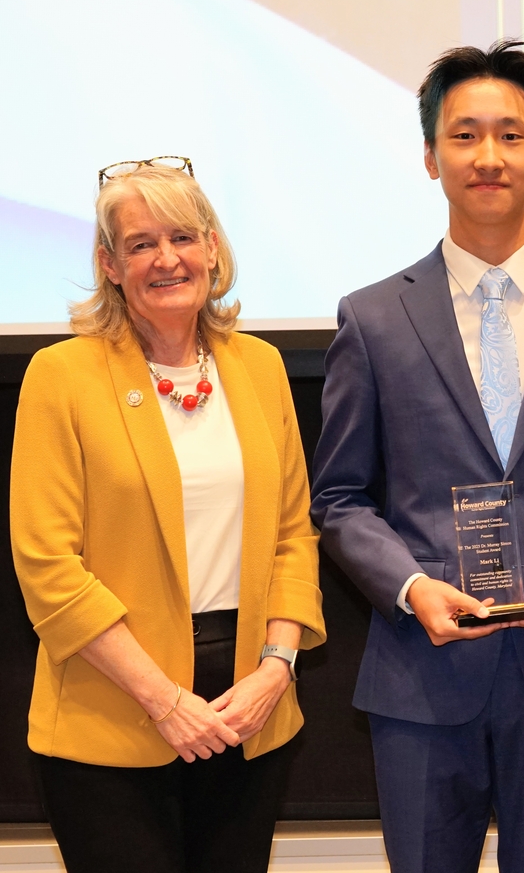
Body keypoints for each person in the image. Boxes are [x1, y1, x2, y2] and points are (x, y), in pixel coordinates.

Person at [309, 40, 524, 873]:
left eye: (510, 135)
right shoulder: (373, 317)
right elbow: (341, 499)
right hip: (423, 675)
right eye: (464, 136)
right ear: (430, 157)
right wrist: (412, 586)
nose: (488, 157)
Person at [10, 158, 326, 873]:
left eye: (183, 236)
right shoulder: (61, 378)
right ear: (109, 265)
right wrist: (164, 701)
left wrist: (276, 669)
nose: (166, 259)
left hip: (249, 709)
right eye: (140, 243)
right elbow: (48, 568)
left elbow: (292, 539)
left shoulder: (261, 368)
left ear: (213, 248)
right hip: (112, 715)